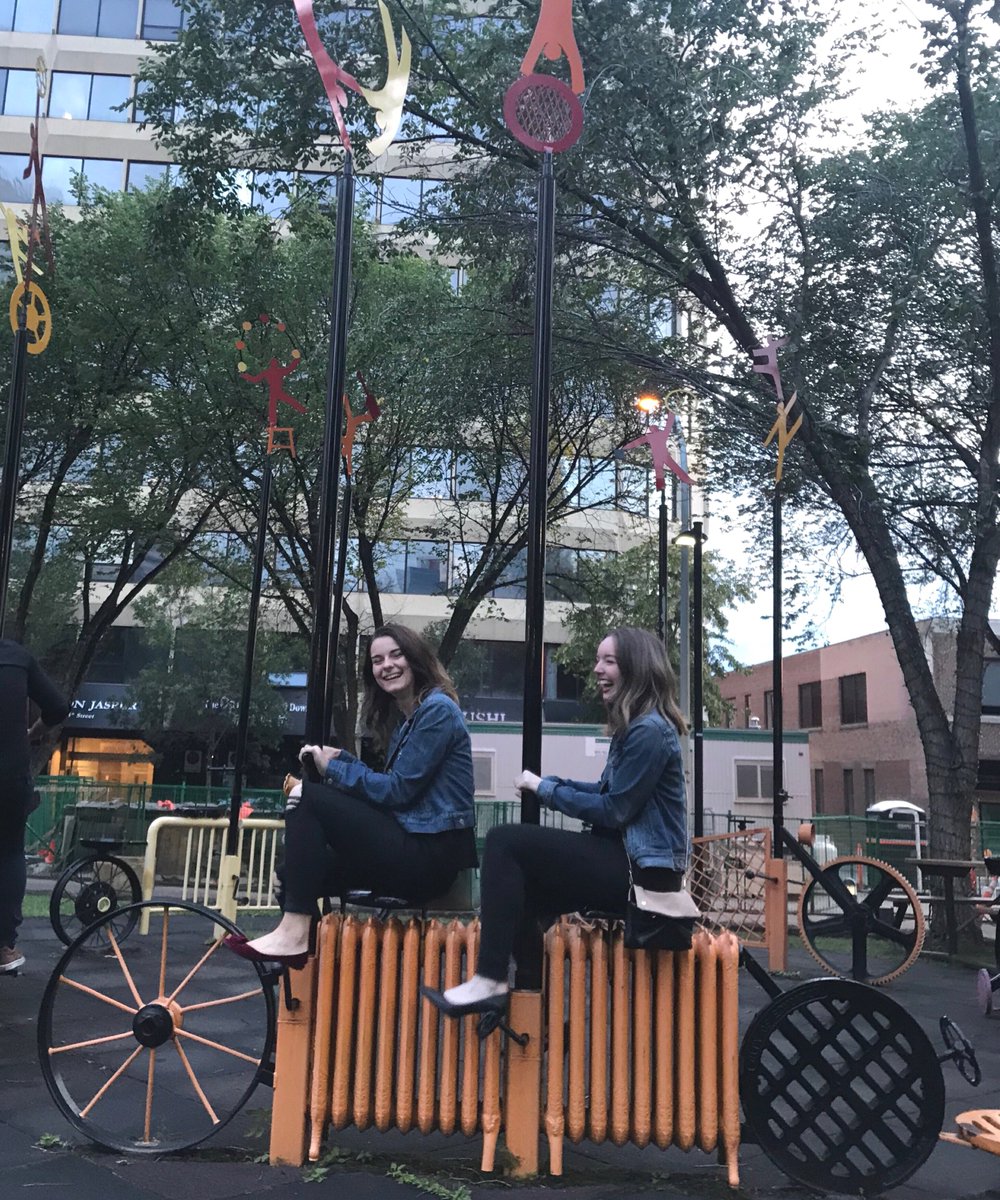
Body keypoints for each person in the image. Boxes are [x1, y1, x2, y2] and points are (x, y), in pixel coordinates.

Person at [423, 626, 693, 1017]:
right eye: (598, 660)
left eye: (609, 661)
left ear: (636, 668)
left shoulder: (649, 732)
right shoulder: (636, 729)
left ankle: (489, 980)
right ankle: (528, 1005)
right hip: (631, 865)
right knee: (523, 893)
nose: (597, 669)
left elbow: (614, 810)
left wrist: (545, 791)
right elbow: (605, 793)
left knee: (504, 841)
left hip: (643, 876)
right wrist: (547, 784)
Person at [225, 624, 477, 966]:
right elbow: (397, 790)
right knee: (292, 876)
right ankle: (318, 966)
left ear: (415, 658)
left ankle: (293, 936)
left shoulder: (437, 711)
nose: (386, 665)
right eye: (376, 660)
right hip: (412, 846)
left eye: (395, 654)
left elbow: (398, 791)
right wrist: (342, 762)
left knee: (309, 797)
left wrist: (336, 770)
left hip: (430, 856)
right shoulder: (408, 722)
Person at [0, 639, 69, 974]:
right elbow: (58, 707)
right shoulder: (16, 658)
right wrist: (30, 733)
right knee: (9, 853)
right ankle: (3, 946)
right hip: (8, 778)